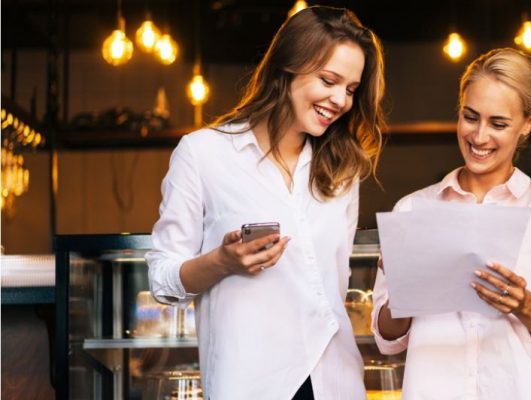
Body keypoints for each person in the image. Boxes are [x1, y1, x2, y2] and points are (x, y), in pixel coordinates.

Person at [145, 6, 386, 399]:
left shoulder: (342, 168)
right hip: (250, 380)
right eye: (329, 80)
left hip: (333, 380)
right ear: (286, 68)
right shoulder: (203, 154)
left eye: (351, 89)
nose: (341, 99)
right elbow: (162, 280)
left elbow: (335, 284)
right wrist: (221, 262)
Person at [371, 48, 531, 399]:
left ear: (529, 122)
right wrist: (404, 290)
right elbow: (387, 339)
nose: (479, 136)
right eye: (470, 117)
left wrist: (524, 305)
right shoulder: (412, 208)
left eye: (498, 123)